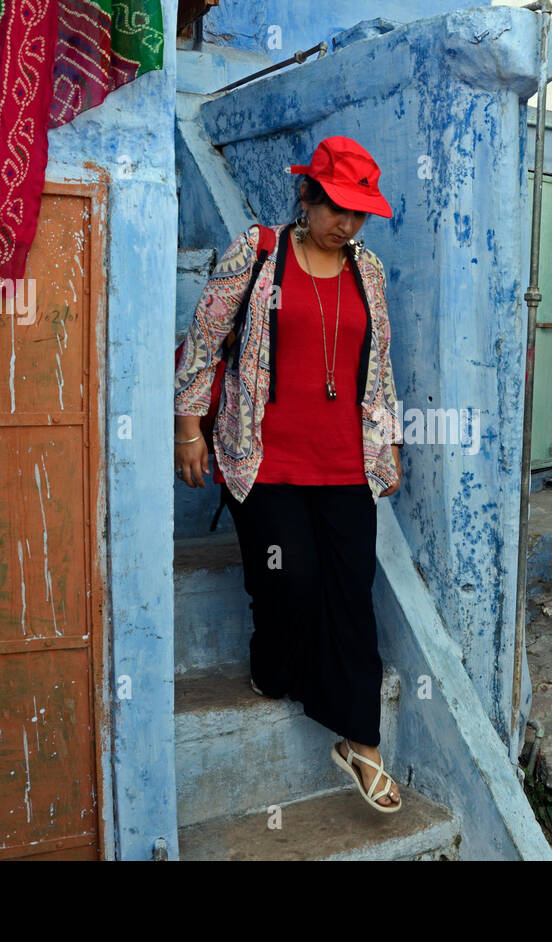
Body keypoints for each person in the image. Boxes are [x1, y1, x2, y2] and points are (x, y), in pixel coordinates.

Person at [173, 136, 406, 812]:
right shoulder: (259, 253)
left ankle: (361, 742)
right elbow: (207, 336)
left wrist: (386, 446)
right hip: (264, 456)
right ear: (305, 197)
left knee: (352, 596)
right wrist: (189, 428)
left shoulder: (370, 272)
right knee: (289, 577)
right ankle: (271, 666)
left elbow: (382, 365)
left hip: (343, 463)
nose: (349, 225)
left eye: (360, 214)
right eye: (339, 209)